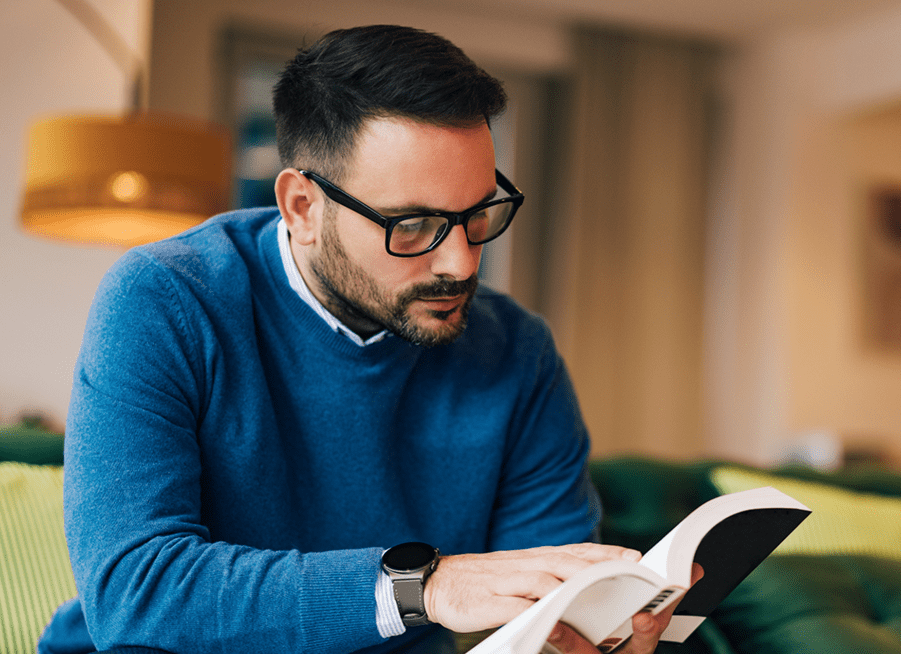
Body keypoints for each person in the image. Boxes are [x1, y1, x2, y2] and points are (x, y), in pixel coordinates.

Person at [39, 24, 694, 654]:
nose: (462, 264)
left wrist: (587, 634)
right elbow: (135, 591)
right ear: (303, 208)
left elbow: (545, 613)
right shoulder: (167, 300)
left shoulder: (517, 352)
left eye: (479, 215)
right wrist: (422, 586)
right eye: (413, 225)